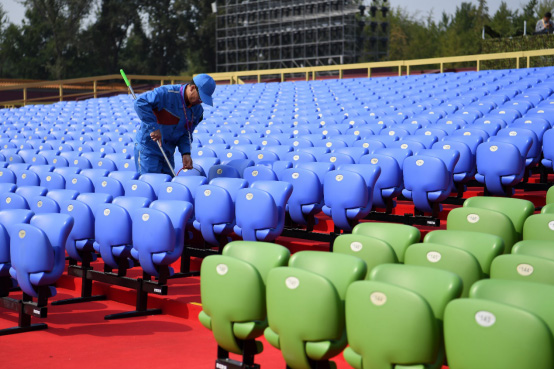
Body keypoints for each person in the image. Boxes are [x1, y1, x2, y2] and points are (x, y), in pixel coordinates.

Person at [133, 74, 216, 176]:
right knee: (151, 184)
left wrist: (186, 153)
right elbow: (140, 103)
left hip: (168, 153)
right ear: (192, 88)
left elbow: (186, 133)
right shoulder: (166, 93)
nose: (201, 102)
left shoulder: (197, 111)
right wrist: (153, 127)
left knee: (167, 186)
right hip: (149, 150)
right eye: (200, 97)